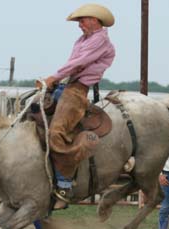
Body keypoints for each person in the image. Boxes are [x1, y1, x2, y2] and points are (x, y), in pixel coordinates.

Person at [39, 3, 116, 209]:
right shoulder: (83, 39)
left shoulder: (100, 40)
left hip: (77, 90)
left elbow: (79, 63)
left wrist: (53, 77)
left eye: (81, 20)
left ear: (94, 20)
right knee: (34, 118)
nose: (79, 25)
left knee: (56, 131)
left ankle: (64, 186)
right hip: (67, 85)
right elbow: (74, 64)